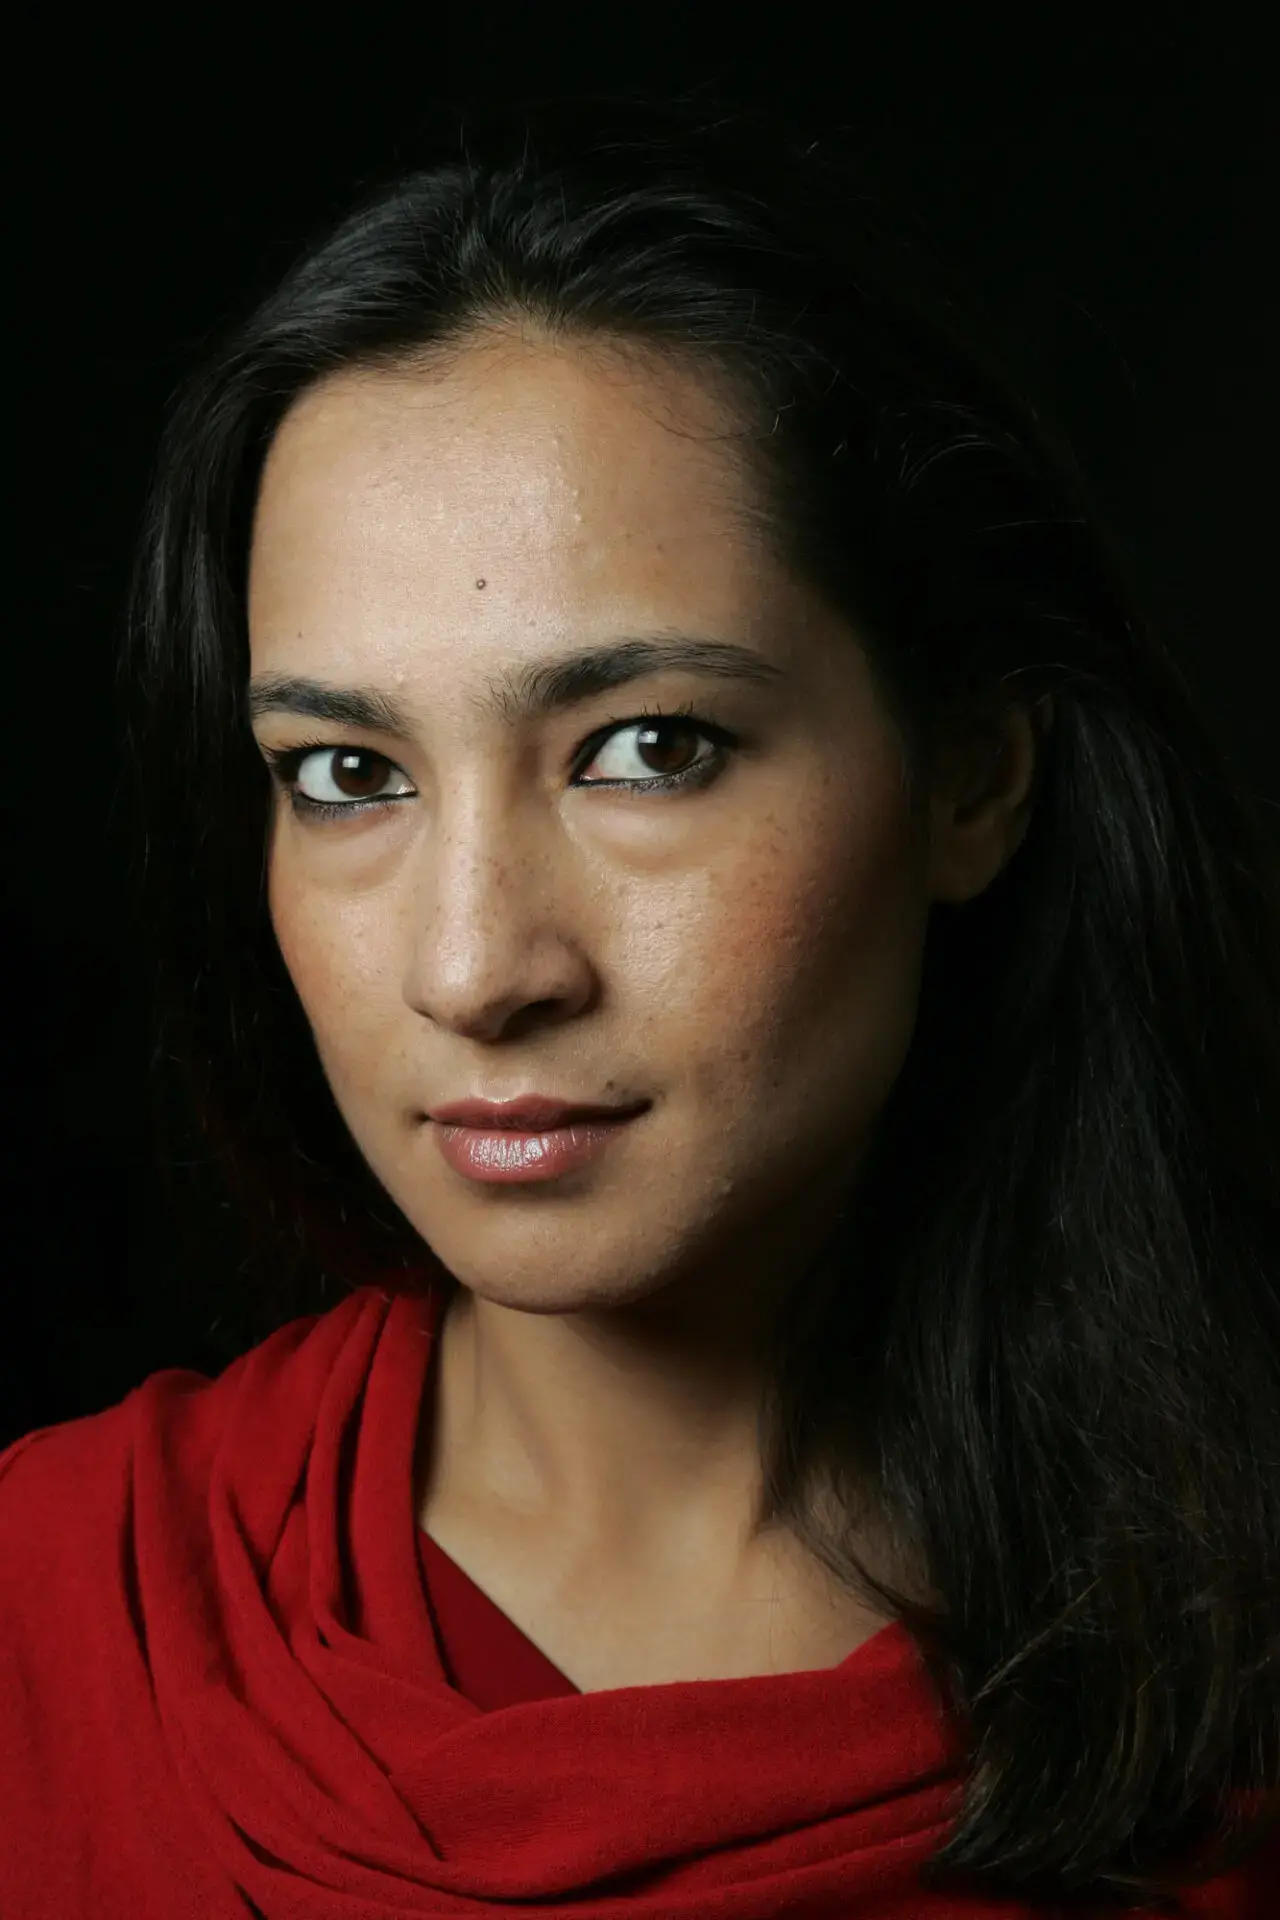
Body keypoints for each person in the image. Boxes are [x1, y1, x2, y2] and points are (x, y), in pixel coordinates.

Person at [2, 89, 1275, 1918]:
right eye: (348, 775)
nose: (474, 967)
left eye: (646, 749)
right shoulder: (58, 1614)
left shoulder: (1227, 1690)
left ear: (976, 774)